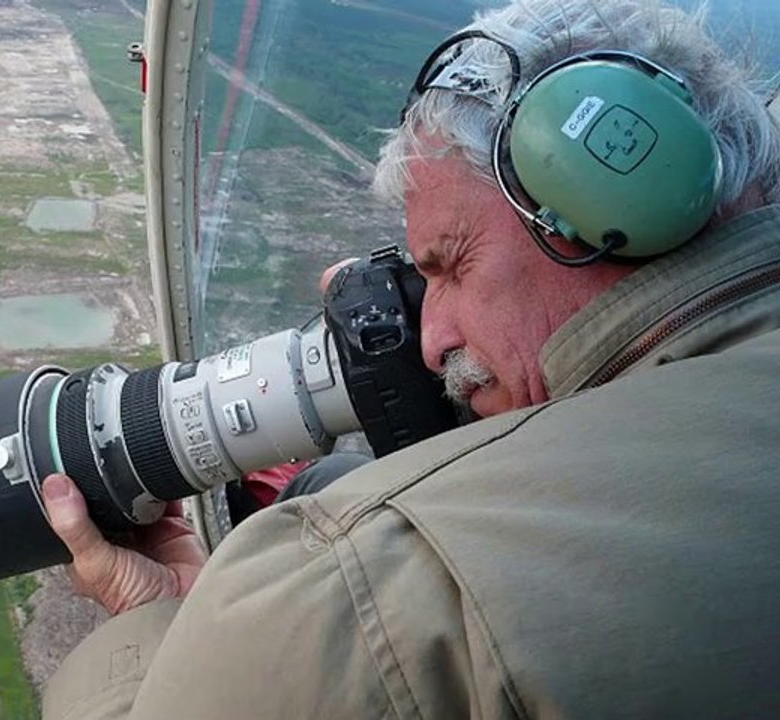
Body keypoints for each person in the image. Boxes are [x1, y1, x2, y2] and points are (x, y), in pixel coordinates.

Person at [40, 1, 780, 717]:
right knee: (325, 478)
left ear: (622, 204)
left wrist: (154, 626)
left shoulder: (384, 595)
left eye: (452, 265)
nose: (431, 339)